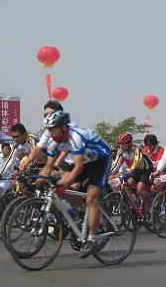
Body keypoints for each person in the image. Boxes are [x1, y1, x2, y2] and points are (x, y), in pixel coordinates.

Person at [39, 110, 112, 257]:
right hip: (86, 161)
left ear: (64, 127)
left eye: (53, 129)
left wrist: (62, 184)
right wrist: (36, 182)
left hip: (100, 161)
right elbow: (48, 167)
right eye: (49, 130)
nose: (51, 133)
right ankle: (81, 213)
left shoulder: (76, 137)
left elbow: (78, 168)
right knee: (64, 188)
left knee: (91, 197)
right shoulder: (54, 142)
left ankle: (91, 239)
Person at [109, 133, 154, 215]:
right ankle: (132, 206)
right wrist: (109, 174)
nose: (121, 146)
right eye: (120, 144)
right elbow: (116, 164)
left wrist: (128, 174)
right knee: (126, 186)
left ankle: (150, 206)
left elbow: (137, 162)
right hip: (136, 170)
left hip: (146, 169)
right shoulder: (121, 152)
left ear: (129, 143)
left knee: (140, 189)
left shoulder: (137, 149)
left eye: (123, 144)